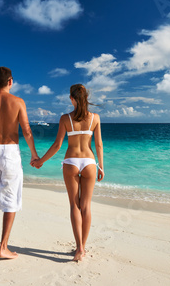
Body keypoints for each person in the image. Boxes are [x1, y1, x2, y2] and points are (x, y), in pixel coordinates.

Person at [31, 84, 104, 261]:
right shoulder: (95, 118)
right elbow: (99, 144)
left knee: (74, 205)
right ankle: (82, 248)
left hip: (71, 161)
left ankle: (78, 247)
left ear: (72, 99)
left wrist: (40, 161)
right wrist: (101, 166)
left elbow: (57, 145)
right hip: (88, 162)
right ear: (86, 98)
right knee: (86, 206)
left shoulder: (65, 118)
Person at [0, 66, 39, 259]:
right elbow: (27, 130)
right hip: (11, 152)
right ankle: (4, 247)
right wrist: (34, 154)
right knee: (10, 198)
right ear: (10, 81)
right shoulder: (18, 102)